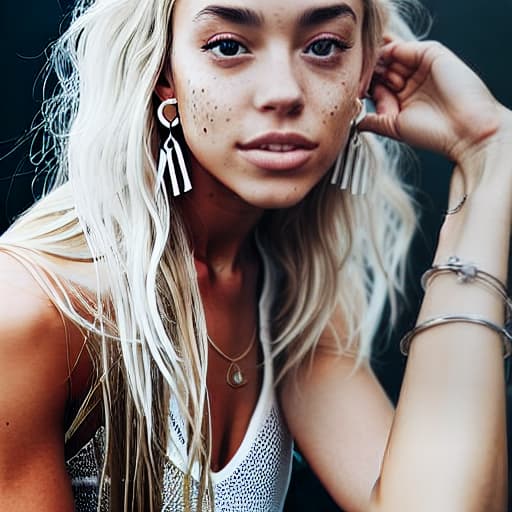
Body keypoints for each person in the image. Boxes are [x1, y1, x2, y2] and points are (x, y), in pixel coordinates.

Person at [0, 0, 510, 510]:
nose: (284, 93)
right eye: (228, 46)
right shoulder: (36, 312)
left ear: (363, 75)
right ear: (165, 75)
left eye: (325, 47)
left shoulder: (289, 295)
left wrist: (489, 158)